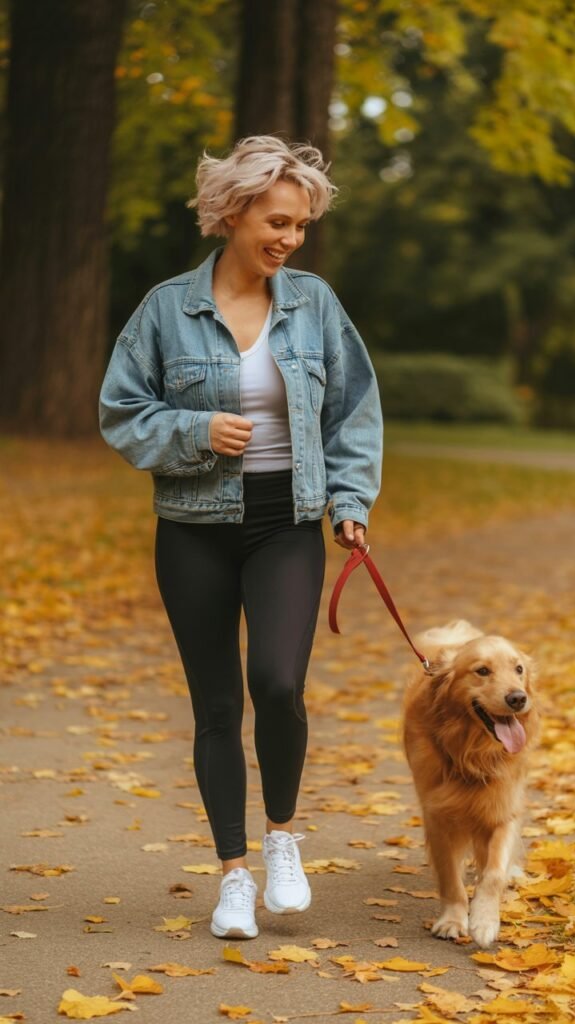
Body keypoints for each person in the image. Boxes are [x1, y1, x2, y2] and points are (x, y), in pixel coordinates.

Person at [99, 134, 383, 940]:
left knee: (279, 684)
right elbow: (121, 412)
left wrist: (350, 498)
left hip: (286, 523)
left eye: (300, 227)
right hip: (192, 528)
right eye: (279, 221)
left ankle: (283, 839)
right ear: (232, 212)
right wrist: (194, 430)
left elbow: (353, 409)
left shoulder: (314, 304)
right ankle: (231, 875)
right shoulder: (164, 309)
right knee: (216, 704)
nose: (290, 239)